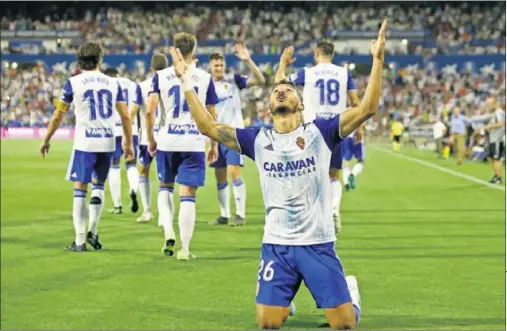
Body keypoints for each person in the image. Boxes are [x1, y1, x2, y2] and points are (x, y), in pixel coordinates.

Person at [169, 19, 388, 330]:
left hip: (317, 244)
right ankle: (281, 299)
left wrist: (378, 59)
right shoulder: (257, 140)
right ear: (268, 108)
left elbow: (367, 108)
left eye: (287, 90)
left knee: (345, 325)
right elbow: (208, 126)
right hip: (277, 245)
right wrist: (185, 81)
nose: (281, 91)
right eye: (276, 92)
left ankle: (348, 289)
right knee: (268, 324)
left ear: (300, 103)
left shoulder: (322, 132)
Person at [40, 41, 134, 251]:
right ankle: (93, 230)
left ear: (80, 61)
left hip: (85, 143)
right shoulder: (113, 83)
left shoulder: (73, 83)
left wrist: (46, 139)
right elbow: (126, 116)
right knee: (99, 185)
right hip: (108, 141)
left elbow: (58, 116)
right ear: (99, 59)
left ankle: (80, 240)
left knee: (80, 188)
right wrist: (127, 142)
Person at [146, 32, 219, 260]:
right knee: (188, 195)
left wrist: (151, 139)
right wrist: (213, 145)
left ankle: (168, 231)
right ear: (194, 51)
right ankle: (185, 249)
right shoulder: (205, 78)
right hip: (194, 143)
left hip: (168, 141)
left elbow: (149, 111)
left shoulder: (161, 76)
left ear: (174, 50)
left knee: (165, 187)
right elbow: (211, 116)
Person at [275, 40, 360, 233]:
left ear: (317, 53)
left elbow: (280, 83)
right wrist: (358, 126)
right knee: (333, 174)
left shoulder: (308, 72)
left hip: (313, 126)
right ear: (332, 54)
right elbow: (355, 103)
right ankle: (333, 210)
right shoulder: (344, 72)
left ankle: (307, 218)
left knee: (308, 172)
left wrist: (283, 63)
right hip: (337, 126)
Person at [208, 44, 266, 227]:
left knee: (234, 173)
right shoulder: (205, 85)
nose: (219, 68)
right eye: (216, 65)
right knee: (220, 175)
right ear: (210, 66)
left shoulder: (233, 81)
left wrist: (247, 60)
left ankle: (240, 214)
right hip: (216, 136)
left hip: (233, 135)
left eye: (221, 65)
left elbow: (260, 80)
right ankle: (224, 215)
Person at [131, 53, 169, 223]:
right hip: (167, 137)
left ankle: (147, 211)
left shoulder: (142, 86)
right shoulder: (172, 84)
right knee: (164, 178)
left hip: (146, 138)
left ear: (151, 69)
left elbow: (134, 111)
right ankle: (163, 215)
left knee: (143, 171)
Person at [104, 68, 142, 214]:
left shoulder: (106, 84)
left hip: (112, 130)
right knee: (131, 164)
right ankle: (133, 189)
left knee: (114, 166)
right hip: (129, 128)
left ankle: (117, 205)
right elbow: (136, 108)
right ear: (118, 74)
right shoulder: (132, 84)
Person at [483, 98, 505, 184]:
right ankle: (496, 174)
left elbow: (500, 124)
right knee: (489, 157)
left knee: (497, 159)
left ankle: (498, 177)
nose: (488, 106)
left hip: (497, 139)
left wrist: (489, 127)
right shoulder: (493, 113)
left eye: (489, 104)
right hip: (493, 138)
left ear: (494, 103)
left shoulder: (498, 112)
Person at [342, 123, 366, 191]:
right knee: (361, 161)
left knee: (346, 162)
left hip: (346, 138)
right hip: (358, 137)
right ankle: (352, 175)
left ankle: (346, 184)